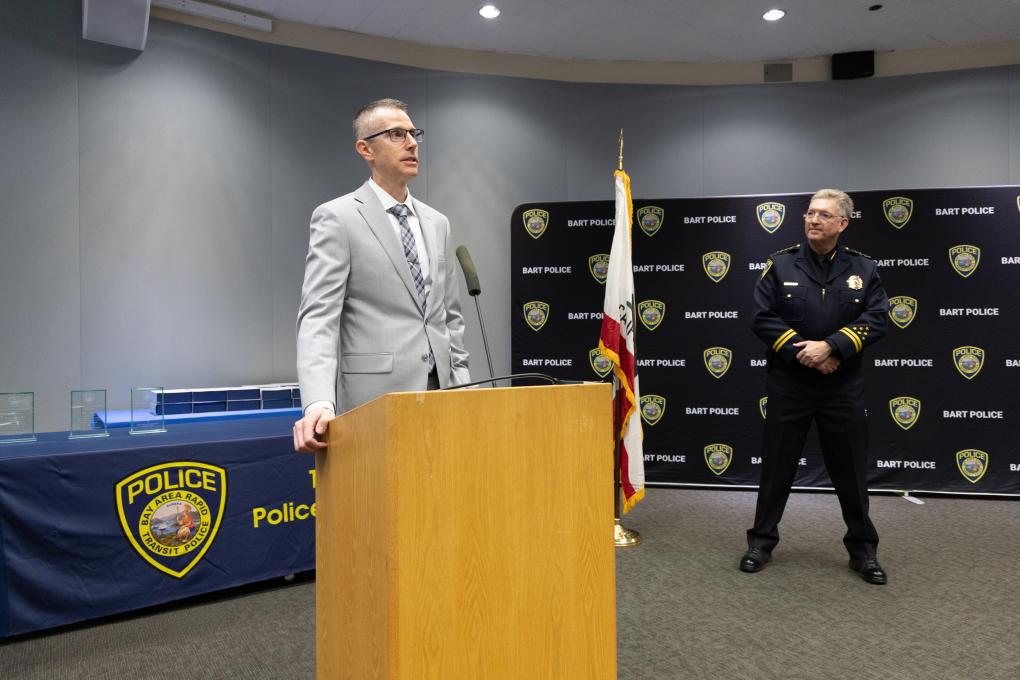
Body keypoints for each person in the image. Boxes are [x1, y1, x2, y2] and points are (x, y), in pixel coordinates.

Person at [292, 99, 470, 453]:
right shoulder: (337, 217)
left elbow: (449, 318)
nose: (412, 143)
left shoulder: (437, 223)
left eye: (414, 133)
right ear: (365, 149)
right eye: (396, 134)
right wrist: (318, 402)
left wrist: (464, 385)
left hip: (444, 398)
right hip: (373, 402)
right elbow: (319, 318)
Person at [740, 188, 889, 585]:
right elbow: (762, 317)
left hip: (842, 386)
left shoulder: (865, 268)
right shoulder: (780, 264)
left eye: (823, 215)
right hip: (790, 383)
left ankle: (863, 551)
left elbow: (877, 318)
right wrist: (807, 353)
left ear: (842, 223)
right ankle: (760, 543)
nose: (813, 220)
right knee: (777, 466)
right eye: (809, 213)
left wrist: (832, 347)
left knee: (850, 470)